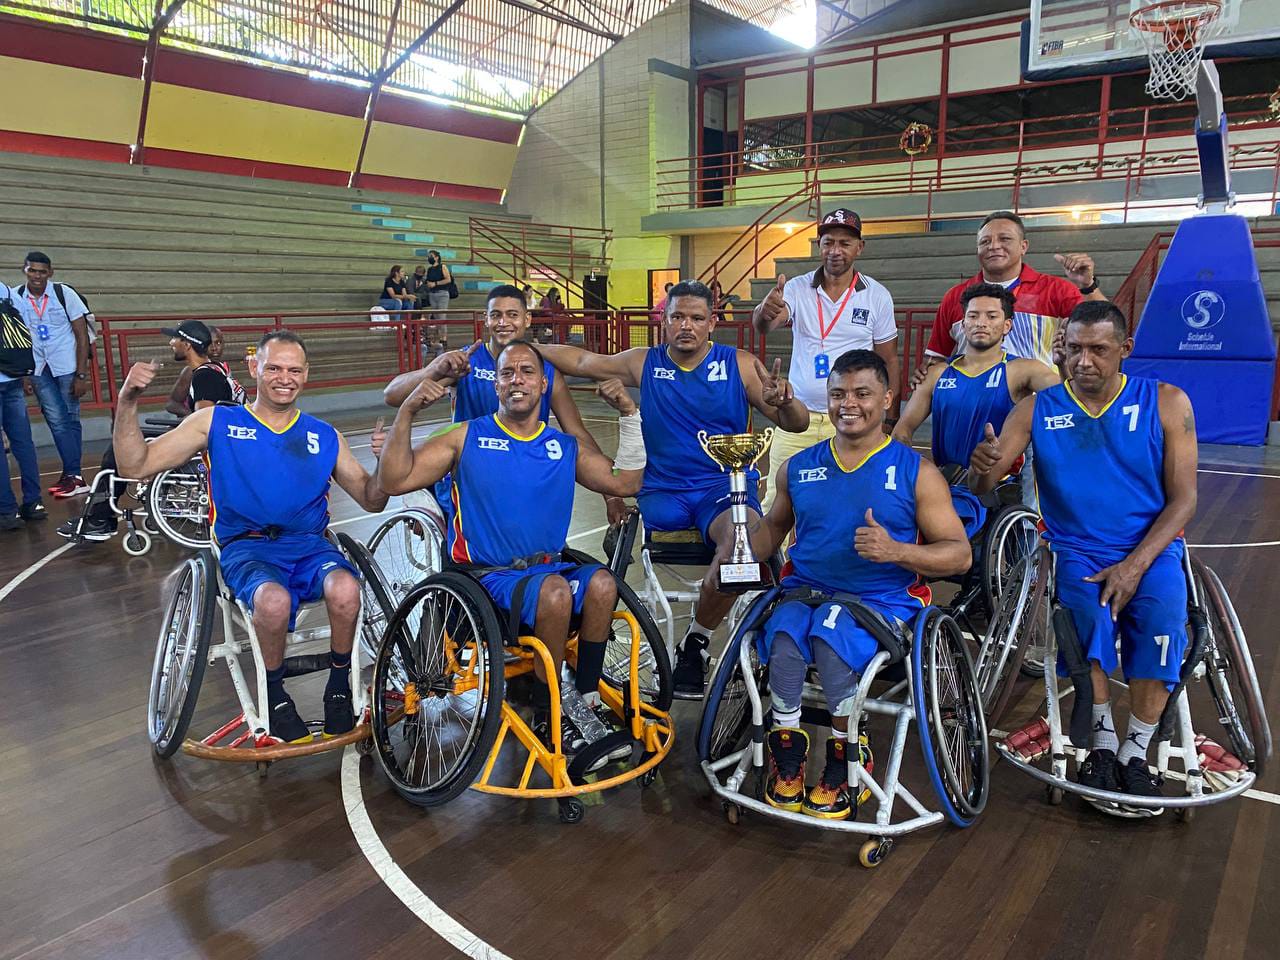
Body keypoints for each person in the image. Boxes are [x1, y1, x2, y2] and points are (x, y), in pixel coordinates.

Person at [968, 301, 1197, 806]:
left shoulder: (1165, 401)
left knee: (1161, 626)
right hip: (1076, 548)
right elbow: (988, 479)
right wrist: (983, 465)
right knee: (1086, 622)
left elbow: (1185, 500)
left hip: (1151, 549)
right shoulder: (1035, 409)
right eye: (1074, 349)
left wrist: (1135, 565)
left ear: (1125, 350)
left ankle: (1137, 752)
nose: (1084, 360)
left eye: (1098, 349)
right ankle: (1103, 742)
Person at [110, 331, 389, 742]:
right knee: (272, 601)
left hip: (309, 545)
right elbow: (137, 465)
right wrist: (127, 401)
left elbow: (371, 499)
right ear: (254, 367)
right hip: (248, 546)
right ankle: (276, 695)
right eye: (274, 367)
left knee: (347, 588)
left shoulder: (324, 435)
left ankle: (337, 687)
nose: (284, 377)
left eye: (294, 370)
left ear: (306, 375)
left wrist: (384, 465)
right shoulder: (217, 421)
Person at [538, 279, 810, 697]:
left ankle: (696, 641)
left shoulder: (738, 364)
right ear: (663, 321)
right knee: (665, 528)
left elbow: (797, 424)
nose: (687, 325)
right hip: (663, 492)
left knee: (745, 546)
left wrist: (784, 402)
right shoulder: (642, 362)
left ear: (712, 323)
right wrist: (522, 347)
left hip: (723, 490)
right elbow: (582, 360)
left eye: (697, 318)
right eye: (677, 316)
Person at [376, 340, 645, 762]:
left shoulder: (562, 446)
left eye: (525, 372)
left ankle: (585, 701)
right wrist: (406, 412)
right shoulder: (464, 437)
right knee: (555, 591)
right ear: (496, 384)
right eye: (506, 373)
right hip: (489, 579)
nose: (515, 379)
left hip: (547, 569)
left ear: (543, 383)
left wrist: (630, 416)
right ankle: (548, 712)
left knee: (602, 583)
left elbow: (625, 483)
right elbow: (393, 481)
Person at [757, 349, 970, 818]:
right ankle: (787, 751)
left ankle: (847, 753)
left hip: (882, 600)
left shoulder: (917, 471)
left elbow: (959, 553)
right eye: (838, 394)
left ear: (888, 399)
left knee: (830, 637)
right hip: (807, 590)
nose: (847, 404)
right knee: (786, 636)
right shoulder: (798, 467)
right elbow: (773, 528)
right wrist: (738, 536)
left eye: (861, 393)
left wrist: (898, 551)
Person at [383, 284, 629, 526]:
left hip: (522, 479)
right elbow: (392, 395)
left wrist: (611, 494)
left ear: (527, 319)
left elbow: (576, 432)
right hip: (470, 484)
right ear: (485, 320)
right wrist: (433, 370)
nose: (504, 322)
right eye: (496, 315)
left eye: (512, 315)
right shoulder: (464, 363)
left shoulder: (546, 371)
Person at [751, 209, 899, 506]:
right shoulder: (796, 288)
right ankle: (773, 555)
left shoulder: (876, 295)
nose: (835, 251)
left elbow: (889, 359)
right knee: (776, 501)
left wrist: (889, 418)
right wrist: (764, 312)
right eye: (828, 242)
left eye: (845, 243)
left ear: (860, 247)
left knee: (850, 499)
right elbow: (766, 325)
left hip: (851, 416)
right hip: (797, 417)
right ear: (820, 245)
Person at [892, 283, 1059, 534]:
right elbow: (902, 431)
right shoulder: (937, 373)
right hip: (943, 482)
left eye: (992, 316)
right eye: (973, 315)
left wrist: (1066, 364)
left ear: (1007, 326)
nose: (981, 322)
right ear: (963, 324)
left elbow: (1067, 398)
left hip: (996, 488)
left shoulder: (1024, 370)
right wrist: (907, 472)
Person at [60, 320, 245, 541]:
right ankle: (100, 517)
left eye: (175, 339)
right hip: (230, 440)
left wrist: (178, 436)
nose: (171, 343)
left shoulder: (204, 375)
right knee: (125, 445)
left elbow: (207, 422)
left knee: (116, 453)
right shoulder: (214, 370)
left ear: (187, 344)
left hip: (219, 447)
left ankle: (101, 519)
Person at [911, 211, 1106, 387]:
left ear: (1023, 246)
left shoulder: (1056, 290)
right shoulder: (956, 296)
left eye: (1004, 239)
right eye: (985, 242)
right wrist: (925, 373)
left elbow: (1105, 327)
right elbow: (936, 358)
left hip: (1038, 405)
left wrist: (1087, 286)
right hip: (972, 405)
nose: (994, 246)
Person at [10, 252, 91, 498]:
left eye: (41, 271)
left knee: (70, 419)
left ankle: (73, 475)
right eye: (32, 270)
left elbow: (81, 335)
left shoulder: (64, 294)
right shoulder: (15, 297)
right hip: (37, 368)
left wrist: (81, 375)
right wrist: (23, 375)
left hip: (66, 365)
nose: (36, 275)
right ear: (24, 270)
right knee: (58, 420)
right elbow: (17, 338)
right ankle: (74, 475)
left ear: (50, 273)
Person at [0, 295, 44, 530]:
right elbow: (27, 334)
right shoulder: (8, 292)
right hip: (14, 376)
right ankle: (33, 503)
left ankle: (6, 511)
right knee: (23, 442)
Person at [166, 325, 246, 415]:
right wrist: (190, 417)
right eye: (210, 344)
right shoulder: (193, 372)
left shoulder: (221, 367)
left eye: (218, 343)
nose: (214, 348)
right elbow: (172, 403)